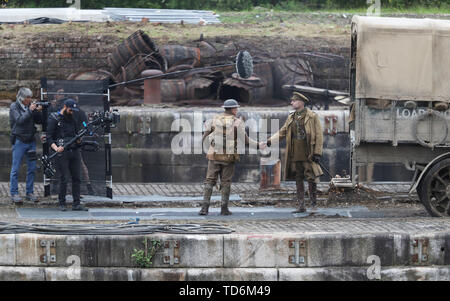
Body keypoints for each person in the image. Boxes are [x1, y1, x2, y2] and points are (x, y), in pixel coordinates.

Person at [263, 92, 323, 213]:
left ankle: (313, 204)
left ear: (301, 102)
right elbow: (282, 132)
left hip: (308, 154)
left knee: (311, 178)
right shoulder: (291, 117)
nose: (291, 103)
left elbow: (319, 135)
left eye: (294, 101)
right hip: (295, 153)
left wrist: (317, 153)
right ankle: (301, 206)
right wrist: (269, 141)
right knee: (298, 179)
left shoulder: (312, 116)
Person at [199, 99, 259, 216]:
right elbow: (246, 141)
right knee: (226, 182)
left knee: (210, 181)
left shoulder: (214, 119)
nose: (237, 110)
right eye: (236, 108)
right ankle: (224, 209)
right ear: (233, 109)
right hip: (228, 157)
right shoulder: (237, 122)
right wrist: (259, 145)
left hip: (214, 155)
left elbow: (204, 136)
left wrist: (209, 148)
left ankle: (204, 208)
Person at [46, 98, 88, 211]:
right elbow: (49, 137)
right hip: (61, 151)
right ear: (65, 107)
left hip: (74, 150)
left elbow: (75, 133)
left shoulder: (73, 118)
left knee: (77, 177)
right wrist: (56, 148)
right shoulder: (54, 118)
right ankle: (62, 202)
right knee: (64, 178)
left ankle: (76, 203)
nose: (72, 112)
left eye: (73, 110)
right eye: (70, 110)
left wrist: (79, 140)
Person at [9, 87, 43, 204]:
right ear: (22, 98)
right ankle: (14, 193)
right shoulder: (14, 107)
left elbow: (39, 121)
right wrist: (30, 110)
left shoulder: (30, 107)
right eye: (28, 97)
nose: (30, 99)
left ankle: (29, 192)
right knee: (15, 168)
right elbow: (19, 120)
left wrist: (38, 111)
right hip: (19, 140)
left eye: (30, 97)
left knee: (32, 168)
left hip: (31, 140)